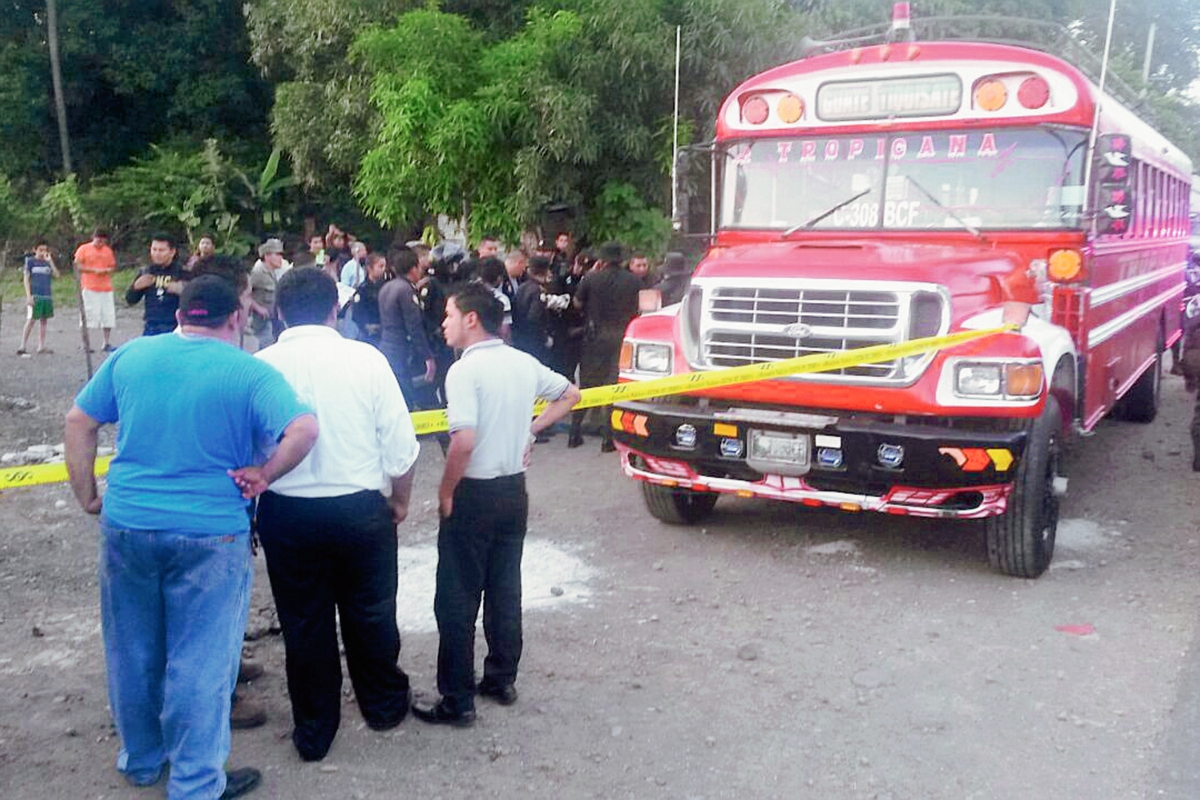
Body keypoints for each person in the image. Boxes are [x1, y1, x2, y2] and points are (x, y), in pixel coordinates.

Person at [63, 272, 318, 800]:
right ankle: (197, 782)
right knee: (201, 659)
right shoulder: (249, 372)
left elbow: (79, 421)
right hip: (210, 536)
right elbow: (305, 429)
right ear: (238, 317)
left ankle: (140, 760)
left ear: (179, 315)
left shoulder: (131, 357)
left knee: (131, 648)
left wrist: (88, 493)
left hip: (129, 524)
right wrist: (265, 476)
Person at [248, 268, 420, 762]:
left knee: (304, 624)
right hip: (360, 509)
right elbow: (401, 446)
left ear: (279, 310)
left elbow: (246, 451)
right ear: (334, 309)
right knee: (371, 612)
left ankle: (315, 732)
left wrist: (252, 513)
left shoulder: (260, 364)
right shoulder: (366, 359)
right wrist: (400, 501)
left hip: (287, 513)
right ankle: (384, 706)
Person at [411, 283, 580, 727]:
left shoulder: (464, 372)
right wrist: (531, 430)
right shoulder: (521, 361)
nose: (442, 323)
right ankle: (501, 678)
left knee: (456, 598)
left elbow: (463, 440)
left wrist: (445, 490)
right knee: (505, 589)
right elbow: (572, 394)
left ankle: (457, 699)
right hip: (512, 492)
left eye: (448, 314)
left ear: (471, 319)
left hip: (474, 493)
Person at [569, 242, 640, 451]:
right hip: (622, 337)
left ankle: (574, 433)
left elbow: (577, 303)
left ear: (602, 259)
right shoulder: (634, 281)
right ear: (622, 259)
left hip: (594, 338)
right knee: (614, 386)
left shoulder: (591, 278)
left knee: (588, 385)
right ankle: (608, 439)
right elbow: (642, 307)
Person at [378, 247, 435, 406]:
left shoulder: (386, 287)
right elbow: (414, 326)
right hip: (402, 349)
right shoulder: (406, 290)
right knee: (408, 397)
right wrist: (427, 356)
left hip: (386, 345)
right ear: (414, 268)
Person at [125, 233, 187, 337]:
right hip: (151, 325)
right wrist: (135, 287)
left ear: (172, 252)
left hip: (176, 325)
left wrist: (182, 289)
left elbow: (197, 299)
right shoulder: (146, 271)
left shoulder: (183, 272)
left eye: (161, 250)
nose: (157, 254)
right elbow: (130, 300)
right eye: (154, 249)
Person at [74, 228, 118, 352]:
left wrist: (108, 271)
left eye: (102, 241)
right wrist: (93, 270)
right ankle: (85, 344)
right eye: (98, 240)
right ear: (93, 238)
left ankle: (106, 342)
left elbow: (112, 266)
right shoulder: (84, 249)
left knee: (108, 315)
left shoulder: (107, 251)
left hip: (106, 287)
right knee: (88, 315)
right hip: (89, 287)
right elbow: (77, 266)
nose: (100, 243)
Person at [17, 240, 60, 356]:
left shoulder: (47, 262)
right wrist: (28, 296)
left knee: (44, 320)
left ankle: (41, 345)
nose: (43, 252)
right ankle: (23, 345)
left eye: (45, 250)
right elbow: (26, 279)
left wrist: (50, 262)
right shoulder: (30, 262)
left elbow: (57, 275)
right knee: (31, 320)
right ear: (35, 250)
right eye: (40, 250)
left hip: (47, 295)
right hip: (35, 295)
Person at [248, 238, 292, 349]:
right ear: (267, 256)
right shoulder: (257, 272)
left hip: (272, 320)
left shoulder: (272, 272)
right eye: (277, 254)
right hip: (259, 323)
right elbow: (243, 293)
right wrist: (258, 307)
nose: (280, 258)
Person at [350, 251, 389, 347]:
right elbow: (356, 313)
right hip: (368, 334)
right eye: (380, 266)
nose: (384, 269)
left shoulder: (387, 286)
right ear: (369, 268)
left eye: (385, 266)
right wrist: (366, 326)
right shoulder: (363, 290)